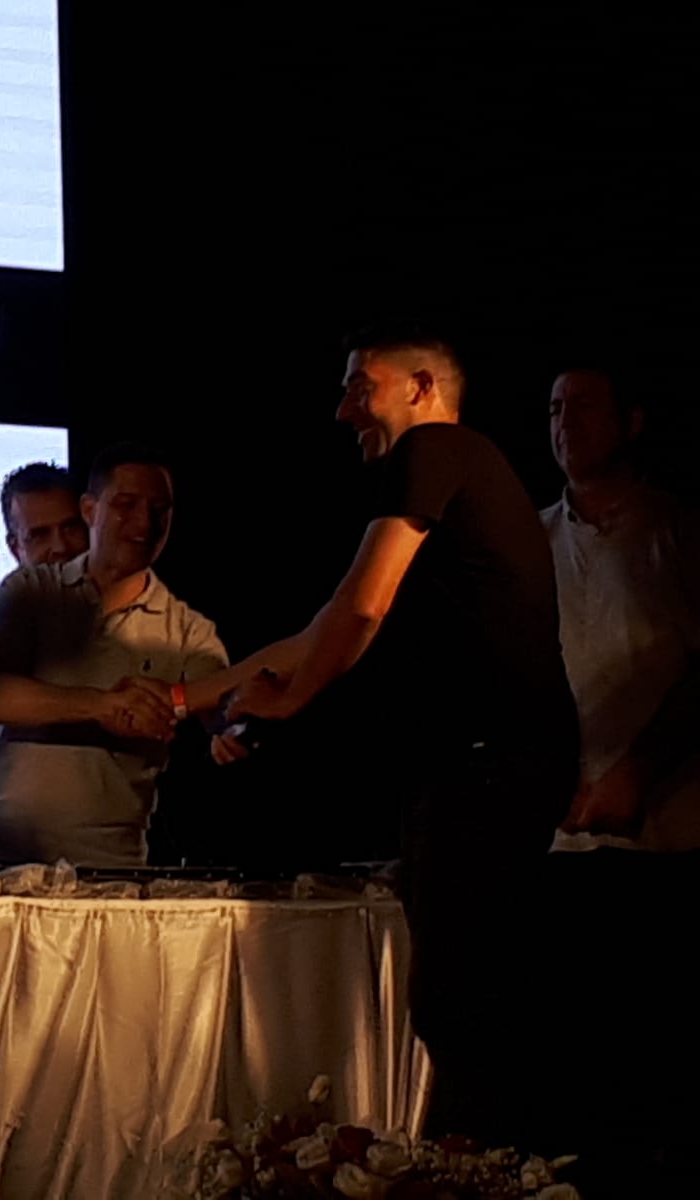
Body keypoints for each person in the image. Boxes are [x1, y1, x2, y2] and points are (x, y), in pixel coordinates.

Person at [199, 326, 579, 1152]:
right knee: (463, 994)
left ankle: (488, 1172)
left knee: (459, 999)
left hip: (492, 762)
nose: (343, 411)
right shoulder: (461, 474)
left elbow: (359, 607)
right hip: (487, 762)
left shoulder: (435, 448)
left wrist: (284, 703)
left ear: (420, 386)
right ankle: (487, 1168)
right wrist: (190, 698)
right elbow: (326, 627)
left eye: (358, 387)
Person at [0, 443, 228, 866]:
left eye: (158, 509)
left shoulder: (187, 631)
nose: (143, 522)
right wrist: (104, 705)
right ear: (93, 509)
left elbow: (221, 702)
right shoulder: (26, 594)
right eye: (127, 505)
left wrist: (231, 726)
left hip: (106, 869)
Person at [541, 367, 700, 852]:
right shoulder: (529, 539)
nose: (566, 422)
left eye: (584, 406)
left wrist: (637, 771)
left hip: (672, 829)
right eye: (556, 409)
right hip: (561, 835)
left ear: (631, 422)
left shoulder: (678, 533)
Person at [0, 462, 87, 828]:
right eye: (39, 535)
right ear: (14, 547)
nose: (60, 547)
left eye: (71, 528)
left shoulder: (137, 628)